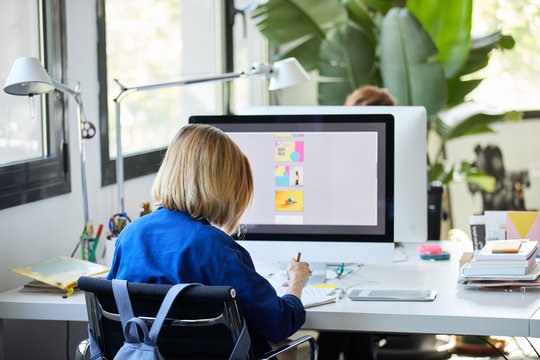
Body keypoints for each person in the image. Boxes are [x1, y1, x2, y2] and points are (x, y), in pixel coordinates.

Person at [107, 123, 312, 359]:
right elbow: (280, 323)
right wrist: (297, 281)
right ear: (222, 187)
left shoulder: (129, 236)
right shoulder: (218, 250)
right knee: (287, 347)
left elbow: (113, 309)